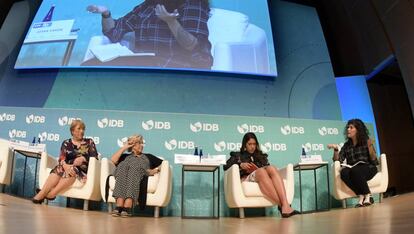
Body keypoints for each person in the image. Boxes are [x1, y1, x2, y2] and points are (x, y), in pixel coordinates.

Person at [85, 0, 213, 69]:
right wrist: (106, 13)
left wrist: (171, 21)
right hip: (145, 66)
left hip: (178, 70)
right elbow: (114, 32)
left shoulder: (193, 4)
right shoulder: (147, 6)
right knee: (90, 66)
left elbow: (193, 46)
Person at [223, 132, 300, 218]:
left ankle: (285, 206)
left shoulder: (261, 156)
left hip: (259, 174)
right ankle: (284, 206)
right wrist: (240, 165)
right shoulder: (238, 155)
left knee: (272, 168)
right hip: (247, 177)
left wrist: (260, 168)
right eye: (250, 144)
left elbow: (266, 166)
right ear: (245, 145)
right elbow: (226, 166)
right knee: (261, 172)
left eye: (254, 144)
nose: (252, 146)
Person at [32, 120, 98, 203]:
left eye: (83, 129)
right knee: (59, 168)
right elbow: (62, 158)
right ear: (72, 131)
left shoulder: (89, 142)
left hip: (83, 170)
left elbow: (95, 157)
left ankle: (51, 194)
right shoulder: (66, 143)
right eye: (79, 129)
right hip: (67, 167)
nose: (82, 131)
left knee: (72, 170)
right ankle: (42, 193)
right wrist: (65, 165)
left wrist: (83, 159)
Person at [327, 118, 378, 207]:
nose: (348, 129)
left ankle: (368, 196)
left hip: (369, 168)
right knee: (343, 172)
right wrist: (335, 149)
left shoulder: (366, 141)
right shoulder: (347, 145)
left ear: (358, 130)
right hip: (354, 170)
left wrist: (370, 147)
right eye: (348, 127)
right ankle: (362, 195)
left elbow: (374, 160)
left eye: (351, 127)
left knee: (355, 170)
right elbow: (337, 161)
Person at [109, 134, 163, 217]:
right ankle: (119, 203)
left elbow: (164, 164)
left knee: (134, 168)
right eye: (139, 143)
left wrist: (154, 170)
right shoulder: (125, 156)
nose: (141, 145)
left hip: (140, 172)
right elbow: (112, 160)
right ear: (133, 145)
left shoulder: (148, 156)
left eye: (142, 143)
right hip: (124, 171)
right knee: (122, 166)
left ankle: (128, 204)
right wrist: (125, 147)